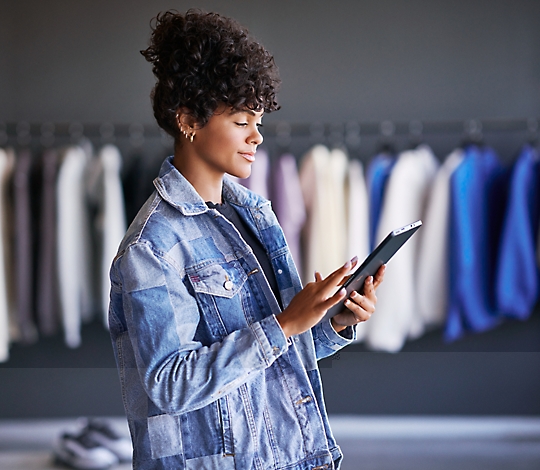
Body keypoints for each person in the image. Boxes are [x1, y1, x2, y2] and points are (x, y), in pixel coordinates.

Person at [108, 10, 386, 470]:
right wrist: (286, 324)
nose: (257, 136)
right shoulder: (151, 246)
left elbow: (269, 359)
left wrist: (330, 322)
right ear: (188, 120)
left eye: (258, 120)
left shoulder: (253, 214)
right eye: (241, 121)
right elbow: (171, 384)